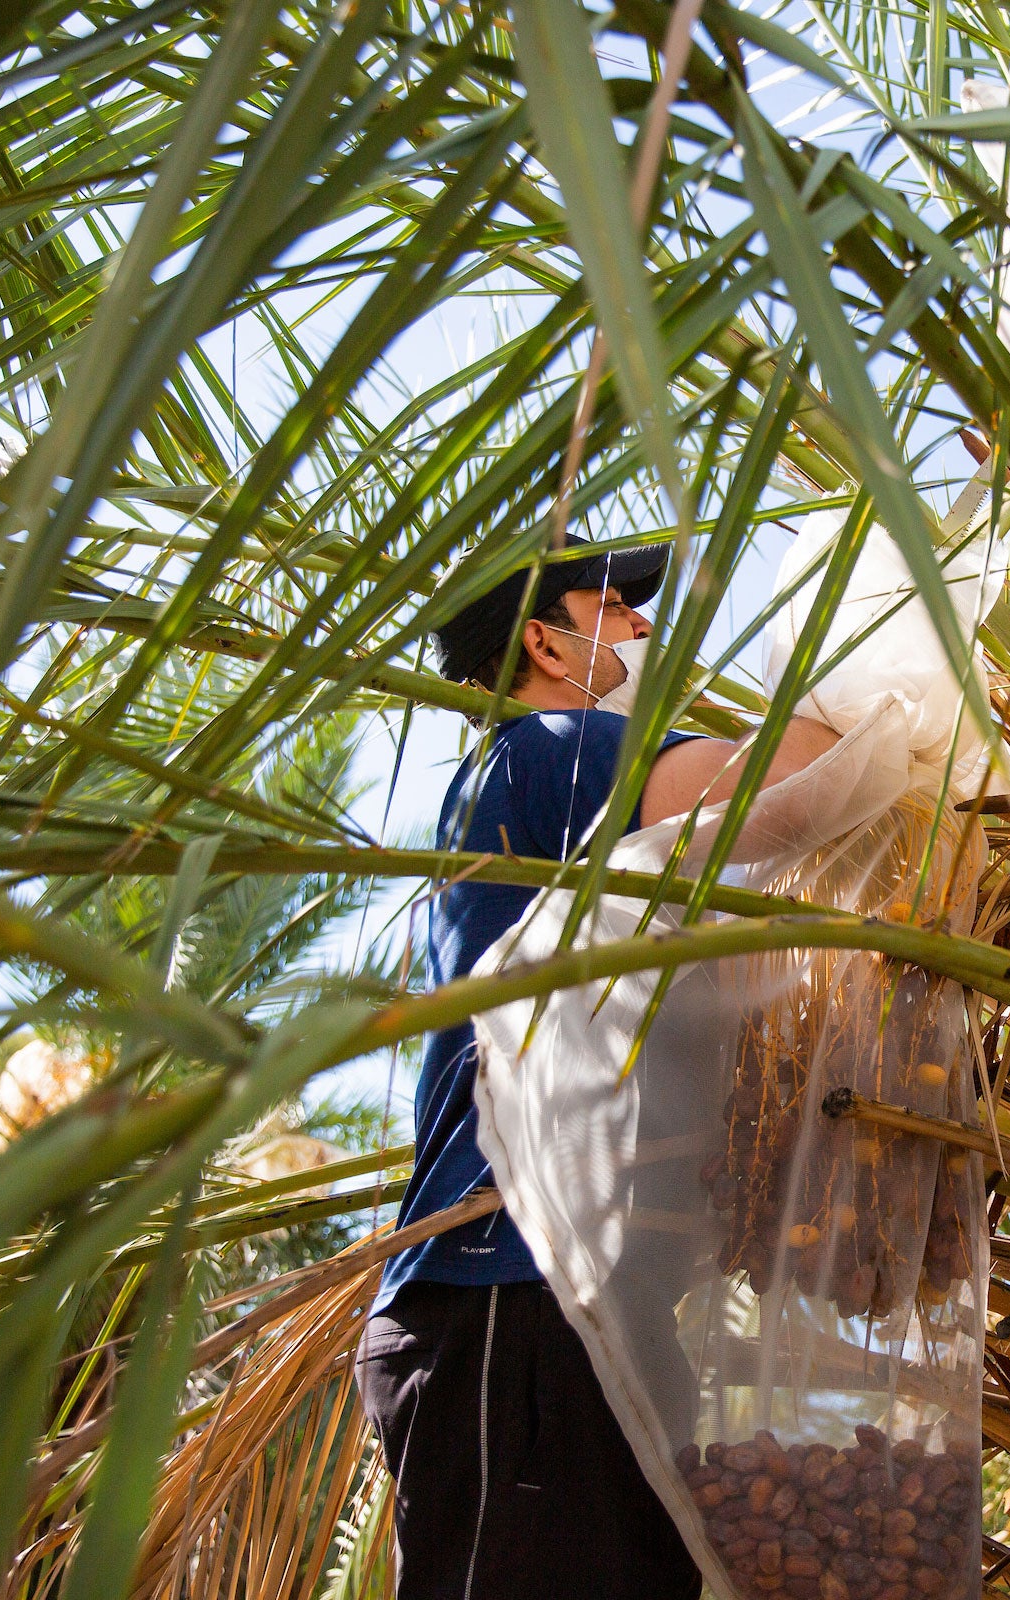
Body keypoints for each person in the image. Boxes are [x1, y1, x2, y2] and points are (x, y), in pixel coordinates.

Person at [355, 536, 838, 1600]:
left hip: (575, 1317)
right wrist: (904, 701)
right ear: (544, 639)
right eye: (613, 605)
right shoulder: (549, 750)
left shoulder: (545, 800)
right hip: (507, 1300)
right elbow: (804, 776)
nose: (640, 625)